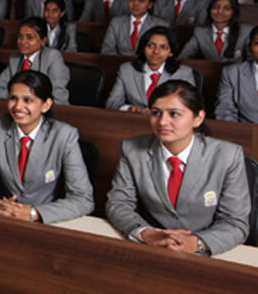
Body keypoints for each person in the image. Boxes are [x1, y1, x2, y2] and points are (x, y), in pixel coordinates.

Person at [106, 80, 250, 256]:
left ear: (198, 118)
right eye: (156, 113)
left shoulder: (228, 156)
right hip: (153, 247)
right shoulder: (132, 149)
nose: (162, 122)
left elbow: (236, 222)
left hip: (207, 250)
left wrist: (196, 243)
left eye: (174, 114)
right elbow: (118, 203)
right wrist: (147, 233)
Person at [0, 71, 94, 223]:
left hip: (44, 221)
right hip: (2, 216)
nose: (18, 107)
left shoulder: (64, 135)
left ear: (46, 105)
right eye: (13, 98)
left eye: (27, 100)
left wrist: (33, 213)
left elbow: (83, 199)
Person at [105, 27, 196, 113]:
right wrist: (128, 108)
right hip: (134, 122)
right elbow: (112, 103)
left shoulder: (184, 73)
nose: (156, 51)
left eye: (163, 47)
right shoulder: (126, 70)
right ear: (143, 48)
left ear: (171, 52)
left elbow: (191, 107)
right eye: (151, 46)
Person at [0, 17, 70, 104]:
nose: (23, 42)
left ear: (43, 41)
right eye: (20, 36)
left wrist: (20, 97)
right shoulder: (15, 59)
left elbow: (59, 98)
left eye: (30, 37)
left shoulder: (52, 57)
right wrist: (20, 97)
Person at [179, 0, 251, 60]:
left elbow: (253, 60)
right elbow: (184, 56)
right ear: (209, 10)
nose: (220, 11)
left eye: (226, 8)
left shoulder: (246, 31)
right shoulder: (200, 32)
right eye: (216, 7)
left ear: (234, 12)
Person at [101, 0, 170, 55]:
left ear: (150, 4)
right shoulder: (116, 22)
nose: (135, 4)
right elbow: (107, 48)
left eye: (141, 0)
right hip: (118, 63)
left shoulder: (161, 24)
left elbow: (163, 52)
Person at [215, 27, 258, 123]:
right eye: (257, 43)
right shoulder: (232, 72)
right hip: (246, 133)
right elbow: (224, 110)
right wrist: (237, 133)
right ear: (250, 47)